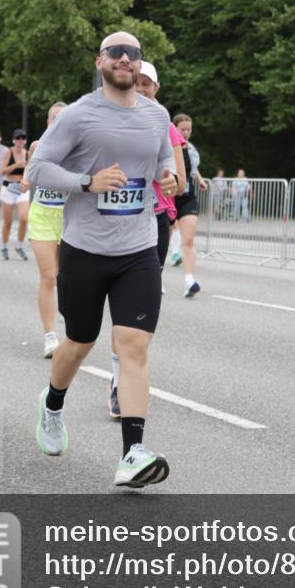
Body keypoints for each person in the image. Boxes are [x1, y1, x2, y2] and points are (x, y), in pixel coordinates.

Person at [29, 31, 177, 488]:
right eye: (115, 52)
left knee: (133, 344)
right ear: (100, 62)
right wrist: (87, 183)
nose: (124, 59)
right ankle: (52, 405)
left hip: (137, 248)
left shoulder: (157, 115)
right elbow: (38, 169)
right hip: (86, 249)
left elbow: (164, 161)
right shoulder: (78, 115)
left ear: (140, 64)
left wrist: (168, 178)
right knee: (80, 340)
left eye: (132, 54)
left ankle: (133, 452)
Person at [106, 61, 186, 420]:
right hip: (120, 221)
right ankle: (117, 381)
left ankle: (127, 372)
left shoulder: (165, 125)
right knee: (122, 314)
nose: (141, 89)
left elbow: (180, 183)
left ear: (157, 88)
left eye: (147, 84)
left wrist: (168, 181)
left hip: (155, 222)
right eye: (136, 83)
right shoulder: (109, 119)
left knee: (140, 319)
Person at [24, 103, 68, 359]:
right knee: (48, 276)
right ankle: (50, 336)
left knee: (66, 277)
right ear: (48, 121)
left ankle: (67, 319)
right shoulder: (37, 147)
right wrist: (24, 182)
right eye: (55, 119)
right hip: (43, 214)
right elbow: (31, 174)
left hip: (69, 217)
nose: (59, 123)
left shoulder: (79, 148)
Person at [172, 113, 208, 297]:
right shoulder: (167, 145)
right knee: (160, 241)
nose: (186, 133)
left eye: (189, 130)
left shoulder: (191, 148)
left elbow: (191, 168)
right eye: (182, 129)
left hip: (187, 196)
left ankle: (189, 280)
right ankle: (156, 280)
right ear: (174, 128)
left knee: (189, 239)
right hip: (168, 198)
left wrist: (200, 180)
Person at [0, 130, 30, 261]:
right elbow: (2, 170)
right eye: (18, 138)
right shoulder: (8, 152)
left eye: (23, 138)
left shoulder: (27, 154)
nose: (20, 141)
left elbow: (30, 171)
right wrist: (17, 165)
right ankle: (4, 247)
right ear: (13, 140)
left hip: (22, 189)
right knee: (8, 221)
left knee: (24, 218)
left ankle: (19, 246)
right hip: (8, 188)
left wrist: (27, 181)